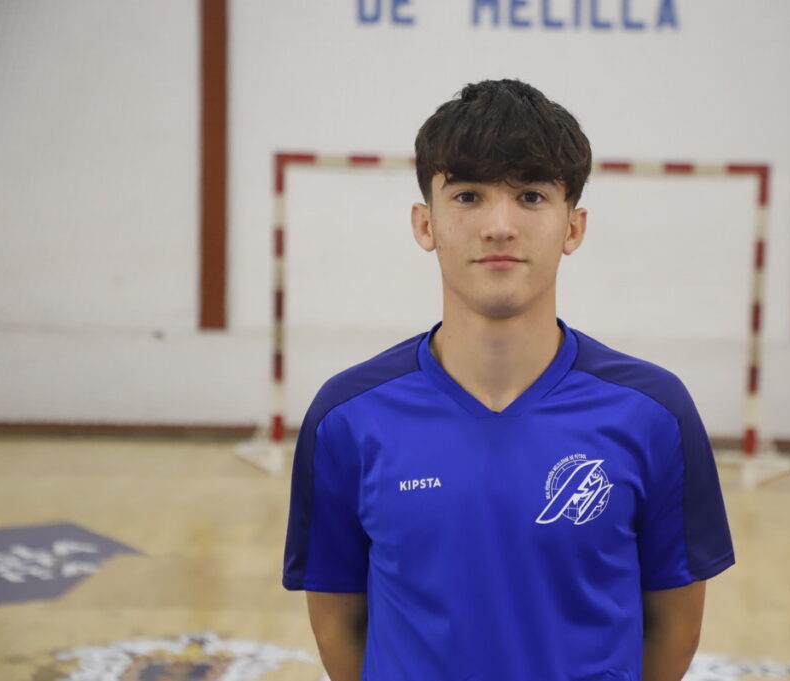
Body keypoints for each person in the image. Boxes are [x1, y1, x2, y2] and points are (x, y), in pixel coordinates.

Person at [283, 78, 734, 681]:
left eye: (530, 196)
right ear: (425, 224)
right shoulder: (347, 417)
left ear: (572, 227)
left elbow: (674, 628)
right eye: (468, 196)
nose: (499, 225)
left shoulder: (653, 414)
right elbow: (339, 626)